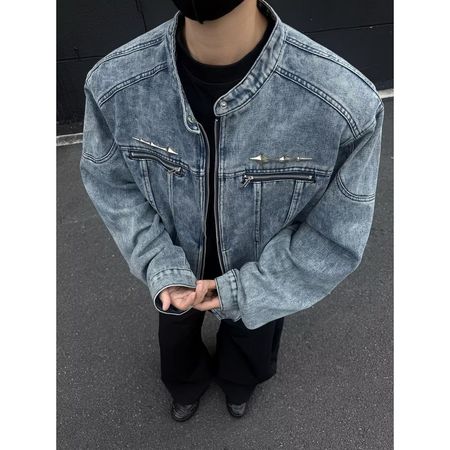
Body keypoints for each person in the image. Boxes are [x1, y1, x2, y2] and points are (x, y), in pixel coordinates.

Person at [80, 0, 385, 422]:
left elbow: (334, 235)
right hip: (175, 258)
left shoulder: (343, 102)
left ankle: (239, 383)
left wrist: (248, 290)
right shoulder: (115, 83)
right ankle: (186, 384)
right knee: (176, 327)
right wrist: (159, 263)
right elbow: (114, 185)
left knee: (252, 330)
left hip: (261, 265)